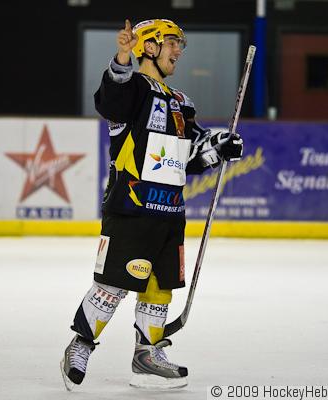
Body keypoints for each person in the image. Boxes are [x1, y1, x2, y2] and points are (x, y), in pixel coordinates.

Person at [60, 18, 243, 390]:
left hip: (171, 212)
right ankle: (80, 345)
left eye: (180, 45)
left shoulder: (181, 102)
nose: (179, 51)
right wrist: (121, 58)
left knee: (159, 288)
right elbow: (110, 101)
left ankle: (147, 356)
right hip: (131, 208)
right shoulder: (133, 89)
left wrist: (218, 147)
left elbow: (189, 154)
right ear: (149, 46)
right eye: (172, 42)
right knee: (113, 284)